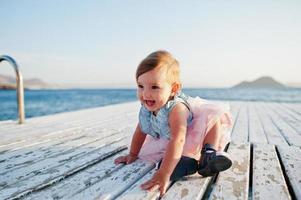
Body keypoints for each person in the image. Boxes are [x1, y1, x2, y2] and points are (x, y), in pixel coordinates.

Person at [114, 50, 232, 197]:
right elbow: (141, 130)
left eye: (154, 87)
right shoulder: (146, 107)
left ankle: (208, 153)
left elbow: (178, 139)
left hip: (189, 133)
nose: (146, 94)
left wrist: (164, 172)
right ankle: (183, 163)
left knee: (212, 117)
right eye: (140, 86)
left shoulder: (177, 109)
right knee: (166, 154)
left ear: (173, 89)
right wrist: (133, 153)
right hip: (173, 141)